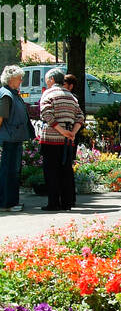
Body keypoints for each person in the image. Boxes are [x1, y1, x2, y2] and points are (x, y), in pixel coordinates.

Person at [37, 69, 83, 212]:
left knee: (51, 171)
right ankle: (67, 202)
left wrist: (61, 130)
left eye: (46, 80)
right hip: (67, 141)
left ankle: (53, 203)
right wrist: (72, 133)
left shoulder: (48, 94)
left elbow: (46, 113)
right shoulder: (71, 96)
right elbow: (80, 116)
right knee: (66, 170)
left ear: (51, 79)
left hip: (51, 138)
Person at [0, 65, 33, 213]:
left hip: (15, 138)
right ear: (11, 79)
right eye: (19, 78)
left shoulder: (13, 93)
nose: (21, 80)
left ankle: (12, 202)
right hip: (9, 139)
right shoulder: (6, 95)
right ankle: (6, 203)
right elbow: (0, 118)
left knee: (14, 171)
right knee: (8, 171)